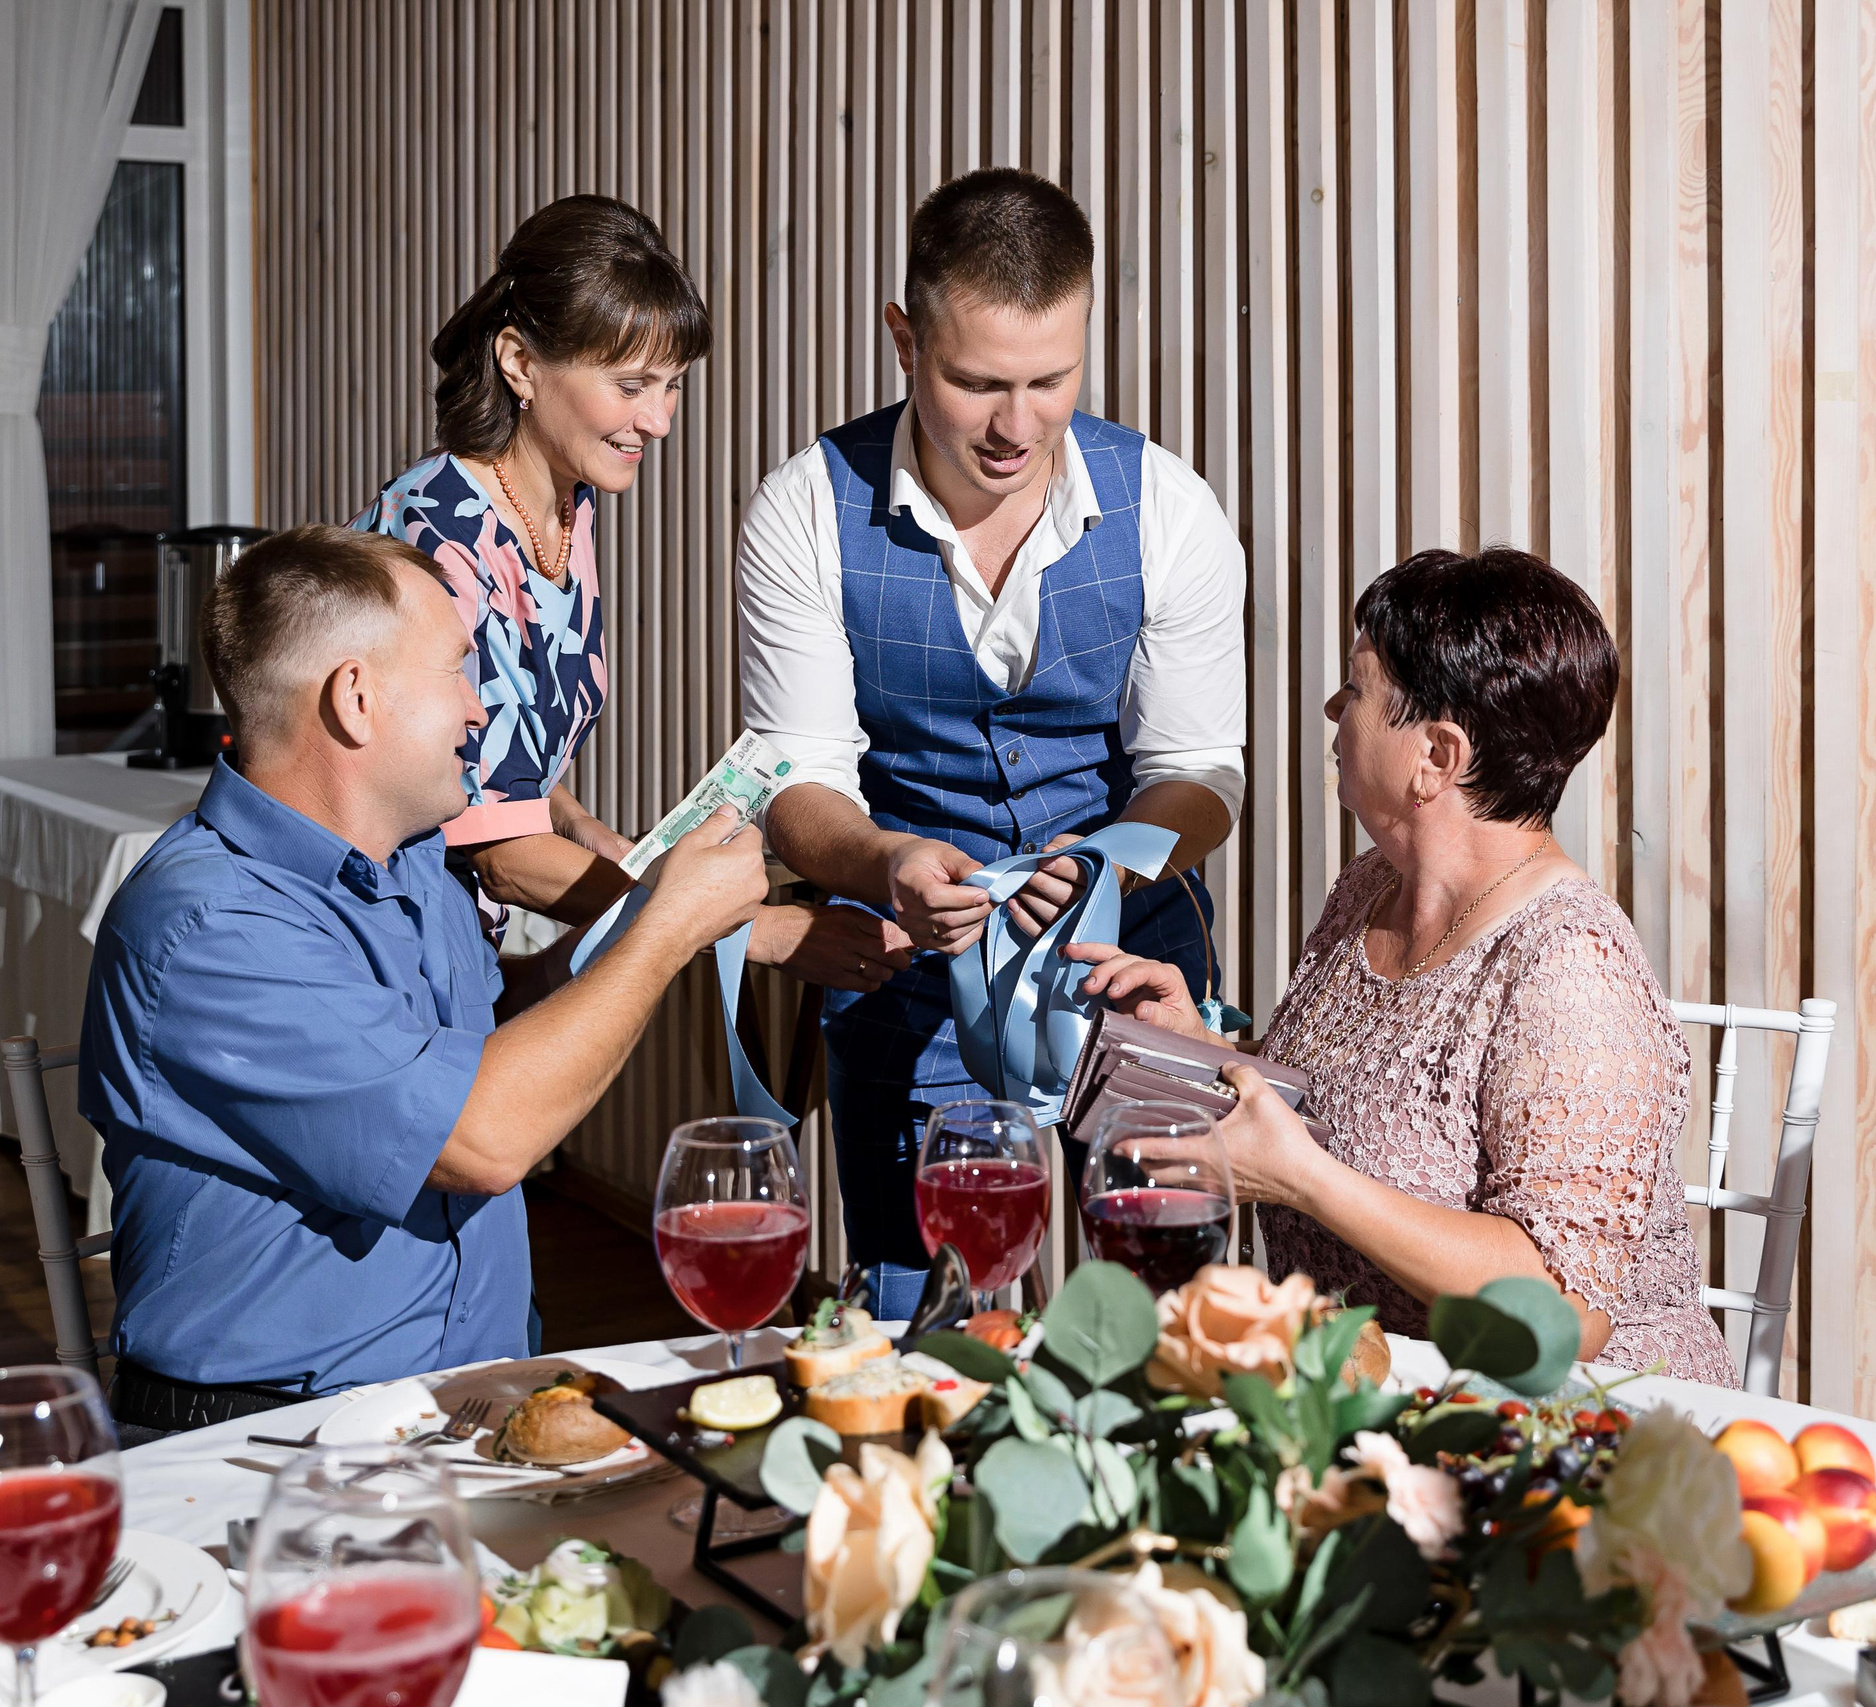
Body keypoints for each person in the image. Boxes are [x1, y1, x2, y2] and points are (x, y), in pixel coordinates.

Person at [78, 525, 768, 1436]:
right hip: (273, 1443)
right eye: (456, 670)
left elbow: (475, 1038)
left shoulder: (409, 861)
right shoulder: (212, 926)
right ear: (356, 700)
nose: (478, 710)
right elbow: (481, 1137)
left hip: (477, 1403)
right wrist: (670, 927)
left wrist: (630, 924)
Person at [739, 169, 1249, 1315]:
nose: (1015, 425)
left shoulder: (1169, 507)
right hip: (908, 973)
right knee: (926, 1332)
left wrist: (1114, 861)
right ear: (903, 339)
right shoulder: (804, 510)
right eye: (975, 384)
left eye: (1048, 381)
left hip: (1134, 967)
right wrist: (883, 865)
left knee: (1171, 1321)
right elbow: (796, 785)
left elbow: (1203, 771)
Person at [1072, 547, 1736, 1385]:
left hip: (1574, 1425)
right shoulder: (1369, 887)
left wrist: (1301, 1180)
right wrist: (1205, 1054)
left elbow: (1566, 1310)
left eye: (1357, 690)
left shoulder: (1570, 968)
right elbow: (1348, 1112)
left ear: (1437, 756)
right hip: (1373, 1386)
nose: (1332, 709)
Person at [356, 193, 903, 993]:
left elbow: (500, 746)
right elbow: (501, 857)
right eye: (632, 385)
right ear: (519, 363)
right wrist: (753, 930)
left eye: (673, 386)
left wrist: (580, 827)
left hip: (454, 955)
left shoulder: (563, 506)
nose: (659, 421)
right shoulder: (442, 534)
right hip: (378, 946)